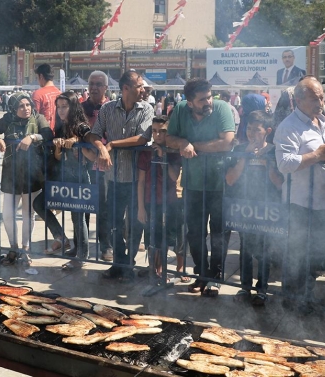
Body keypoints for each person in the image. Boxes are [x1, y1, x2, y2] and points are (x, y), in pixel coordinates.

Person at [274, 76, 325, 311]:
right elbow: (284, 163)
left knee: (315, 257)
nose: (320, 101)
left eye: (321, 96)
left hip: (323, 203)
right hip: (300, 204)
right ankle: (292, 304)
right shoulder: (289, 126)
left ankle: (308, 299)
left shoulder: (323, 122)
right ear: (299, 99)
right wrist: (317, 155)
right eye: (315, 97)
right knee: (297, 257)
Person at [166, 78, 235, 297]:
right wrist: (181, 143)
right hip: (192, 183)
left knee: (219, 233)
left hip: (219, 184)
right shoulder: (179, 109)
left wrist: (193, 145)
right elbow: (168, 138)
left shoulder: (222, 108)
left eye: (209, 96)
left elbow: (227, 142)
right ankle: (201, 274)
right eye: (202, 99)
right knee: (194, 233)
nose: (209, 102)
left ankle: (215, 277)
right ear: (190, 102)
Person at [85, 70, 153, 281]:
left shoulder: (146, 109)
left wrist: (112, 144)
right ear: (125, 88)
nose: (143, 89)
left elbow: (142, 138)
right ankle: (119, 263)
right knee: (113, 223)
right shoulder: (107, 109)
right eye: (139, 85)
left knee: (135, 224)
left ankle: (128, 264)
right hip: (113, 177)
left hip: (136, 180)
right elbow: (94, 133)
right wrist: (102, 148)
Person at [0, 92, 53, 266]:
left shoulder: (38, 118)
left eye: (28, 104)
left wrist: (32, 137)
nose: (26, 108)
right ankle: (13, 247)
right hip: (11, 173)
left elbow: (48, 134)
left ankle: (25, 249)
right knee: (8, 214)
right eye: (21, 106)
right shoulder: (7, 119)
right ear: (14, 108)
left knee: (27, 213)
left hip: (32, 173)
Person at [226, 111, 283, 306]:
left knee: (265, 248)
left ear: (267, 131)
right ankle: (245, 287)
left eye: (256, 130)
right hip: (244, 207)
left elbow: (279, 184)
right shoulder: (240, 149)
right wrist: (245, 156)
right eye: (249, 129)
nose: (252, 134)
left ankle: (263, 289)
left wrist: (268, 165)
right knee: (245, 248)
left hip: (268, 209)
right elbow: (230, 179)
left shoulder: (275, 151)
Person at [50, 91, 98, 271]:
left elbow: (88, 137)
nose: (61, 111)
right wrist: (58, 144)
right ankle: (78, 248)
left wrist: (75, 139)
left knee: (79, 218)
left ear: (73, 107)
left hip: (81, 176)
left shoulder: (79, 125)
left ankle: (82, 256)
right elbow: (58, 156)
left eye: (65, 106)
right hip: (67, 175)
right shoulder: (61, 125)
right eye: (59, 107)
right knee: (74, 217)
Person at [136, 115, 186, 283]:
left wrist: (163, 156)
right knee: (153, 237)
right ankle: (156, 268)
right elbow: (141, 181)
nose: (158, 135)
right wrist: (140, 207)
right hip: (151, 201)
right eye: (155, 132)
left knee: (173, 236)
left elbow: (173, 176)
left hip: (170, 201)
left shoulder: (173, 152)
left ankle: (178, 267)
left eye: (162, 132)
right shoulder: (146, 152)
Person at [82, 70, 113, 261]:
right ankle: (81, 246)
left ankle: (106, 246)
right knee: (82, 207)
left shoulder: (111, 108)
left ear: (106, 88)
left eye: (98, 84)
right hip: (83, 164)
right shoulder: (80, 107)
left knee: (104, 208)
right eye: (91, 83)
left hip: (104, 165)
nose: (94, 87)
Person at [32, 63, 61, 131]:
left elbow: (32, 119)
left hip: (43, 135)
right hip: (58, 135)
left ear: (41, 76)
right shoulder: (60, 93)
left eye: (37, 78)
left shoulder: (38, 94)